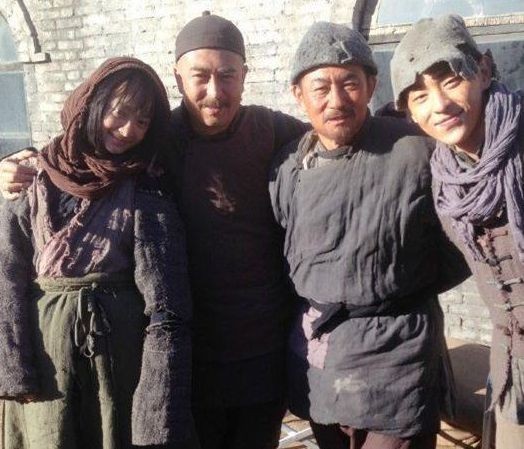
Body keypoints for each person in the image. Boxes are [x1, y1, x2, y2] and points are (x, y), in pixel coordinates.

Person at [0, 12, 308, 449]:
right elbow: (82, 154)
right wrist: (15, 162)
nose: (215, 91)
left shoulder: (274, 130)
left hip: (259, 347)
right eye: (200, 76)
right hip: (185, 357)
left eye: (227, 75)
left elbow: (338, 136)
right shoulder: (155, 140)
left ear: (244, 75)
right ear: (178, 77)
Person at [270, 21, 468, 449]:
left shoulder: (415, 150)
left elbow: (461, 250)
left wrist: (397, 284)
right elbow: (285, 245)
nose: (337, 100)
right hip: (323, 359)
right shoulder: (288, 167)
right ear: (298, 94)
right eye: (320, 88)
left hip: (398, 357)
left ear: (371, 86)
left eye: (350, 84)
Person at [0, 57, 194, 449]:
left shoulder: (146, 187)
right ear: (91, 104)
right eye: (119, 112)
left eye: (142, 121)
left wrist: (156, 405)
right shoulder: (31, 177)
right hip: (45, 365)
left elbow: (167, 304)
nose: (128, 130)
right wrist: (14, 369)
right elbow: (7, 274)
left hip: (117, 366)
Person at [391, 14, 524, 449]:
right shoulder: (446, 181)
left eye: (450, 81)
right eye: (419, 96)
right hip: (513, 369)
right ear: (410, 113)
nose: (439, 105)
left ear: (483, 70)